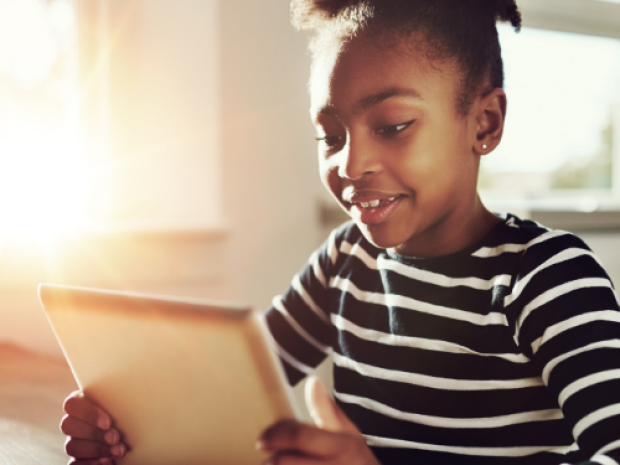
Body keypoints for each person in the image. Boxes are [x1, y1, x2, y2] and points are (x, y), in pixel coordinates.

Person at [59, 1, 620, 464]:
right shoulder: (345, 259)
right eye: (329, 135)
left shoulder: (546, 278)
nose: (350, 165)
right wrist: (130, 422)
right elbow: (238, 384)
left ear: (484, 123)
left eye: (393, 126)